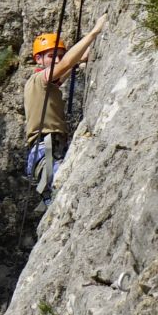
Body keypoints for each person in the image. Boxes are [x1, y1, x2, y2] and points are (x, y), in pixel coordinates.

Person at [23, 16, 106, 195]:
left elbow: (66, 68)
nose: (58, 59)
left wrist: (80, 59)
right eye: (52, 56)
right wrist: (94, 32)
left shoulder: (46, 85)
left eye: (60, 55)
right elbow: (66, 64)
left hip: (49, 151)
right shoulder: (38, 79)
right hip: (45, 150)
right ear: (38, 59)